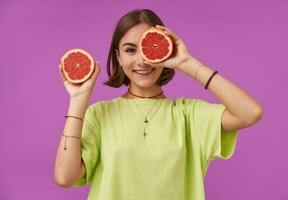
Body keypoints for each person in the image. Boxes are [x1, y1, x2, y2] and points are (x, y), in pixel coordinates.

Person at [54, 9, 264, 200]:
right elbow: (65, 177)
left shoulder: (188, 114)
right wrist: (78, 99)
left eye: (149, 49)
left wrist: (187, 63)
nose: (142, 61)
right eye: (130, 50)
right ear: (118, 56)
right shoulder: (99, 114)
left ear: (165, 51)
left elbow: (250, 113)